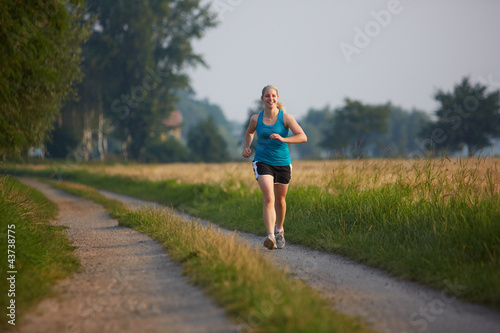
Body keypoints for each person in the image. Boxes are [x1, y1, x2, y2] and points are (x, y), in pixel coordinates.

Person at [242, 85, 307, 250]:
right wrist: (247, 147)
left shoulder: (286, 118)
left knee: (280, 200)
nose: (270, 99)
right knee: (269, 198)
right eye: (267, 96)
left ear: (277, 99)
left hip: (282, 163)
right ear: (262, 99)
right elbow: (249, 133)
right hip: (262, 161)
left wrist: (284, 139)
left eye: (273, 96)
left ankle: (279, 230)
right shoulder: (256, 118)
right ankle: (270, 236)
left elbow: (302, 137)